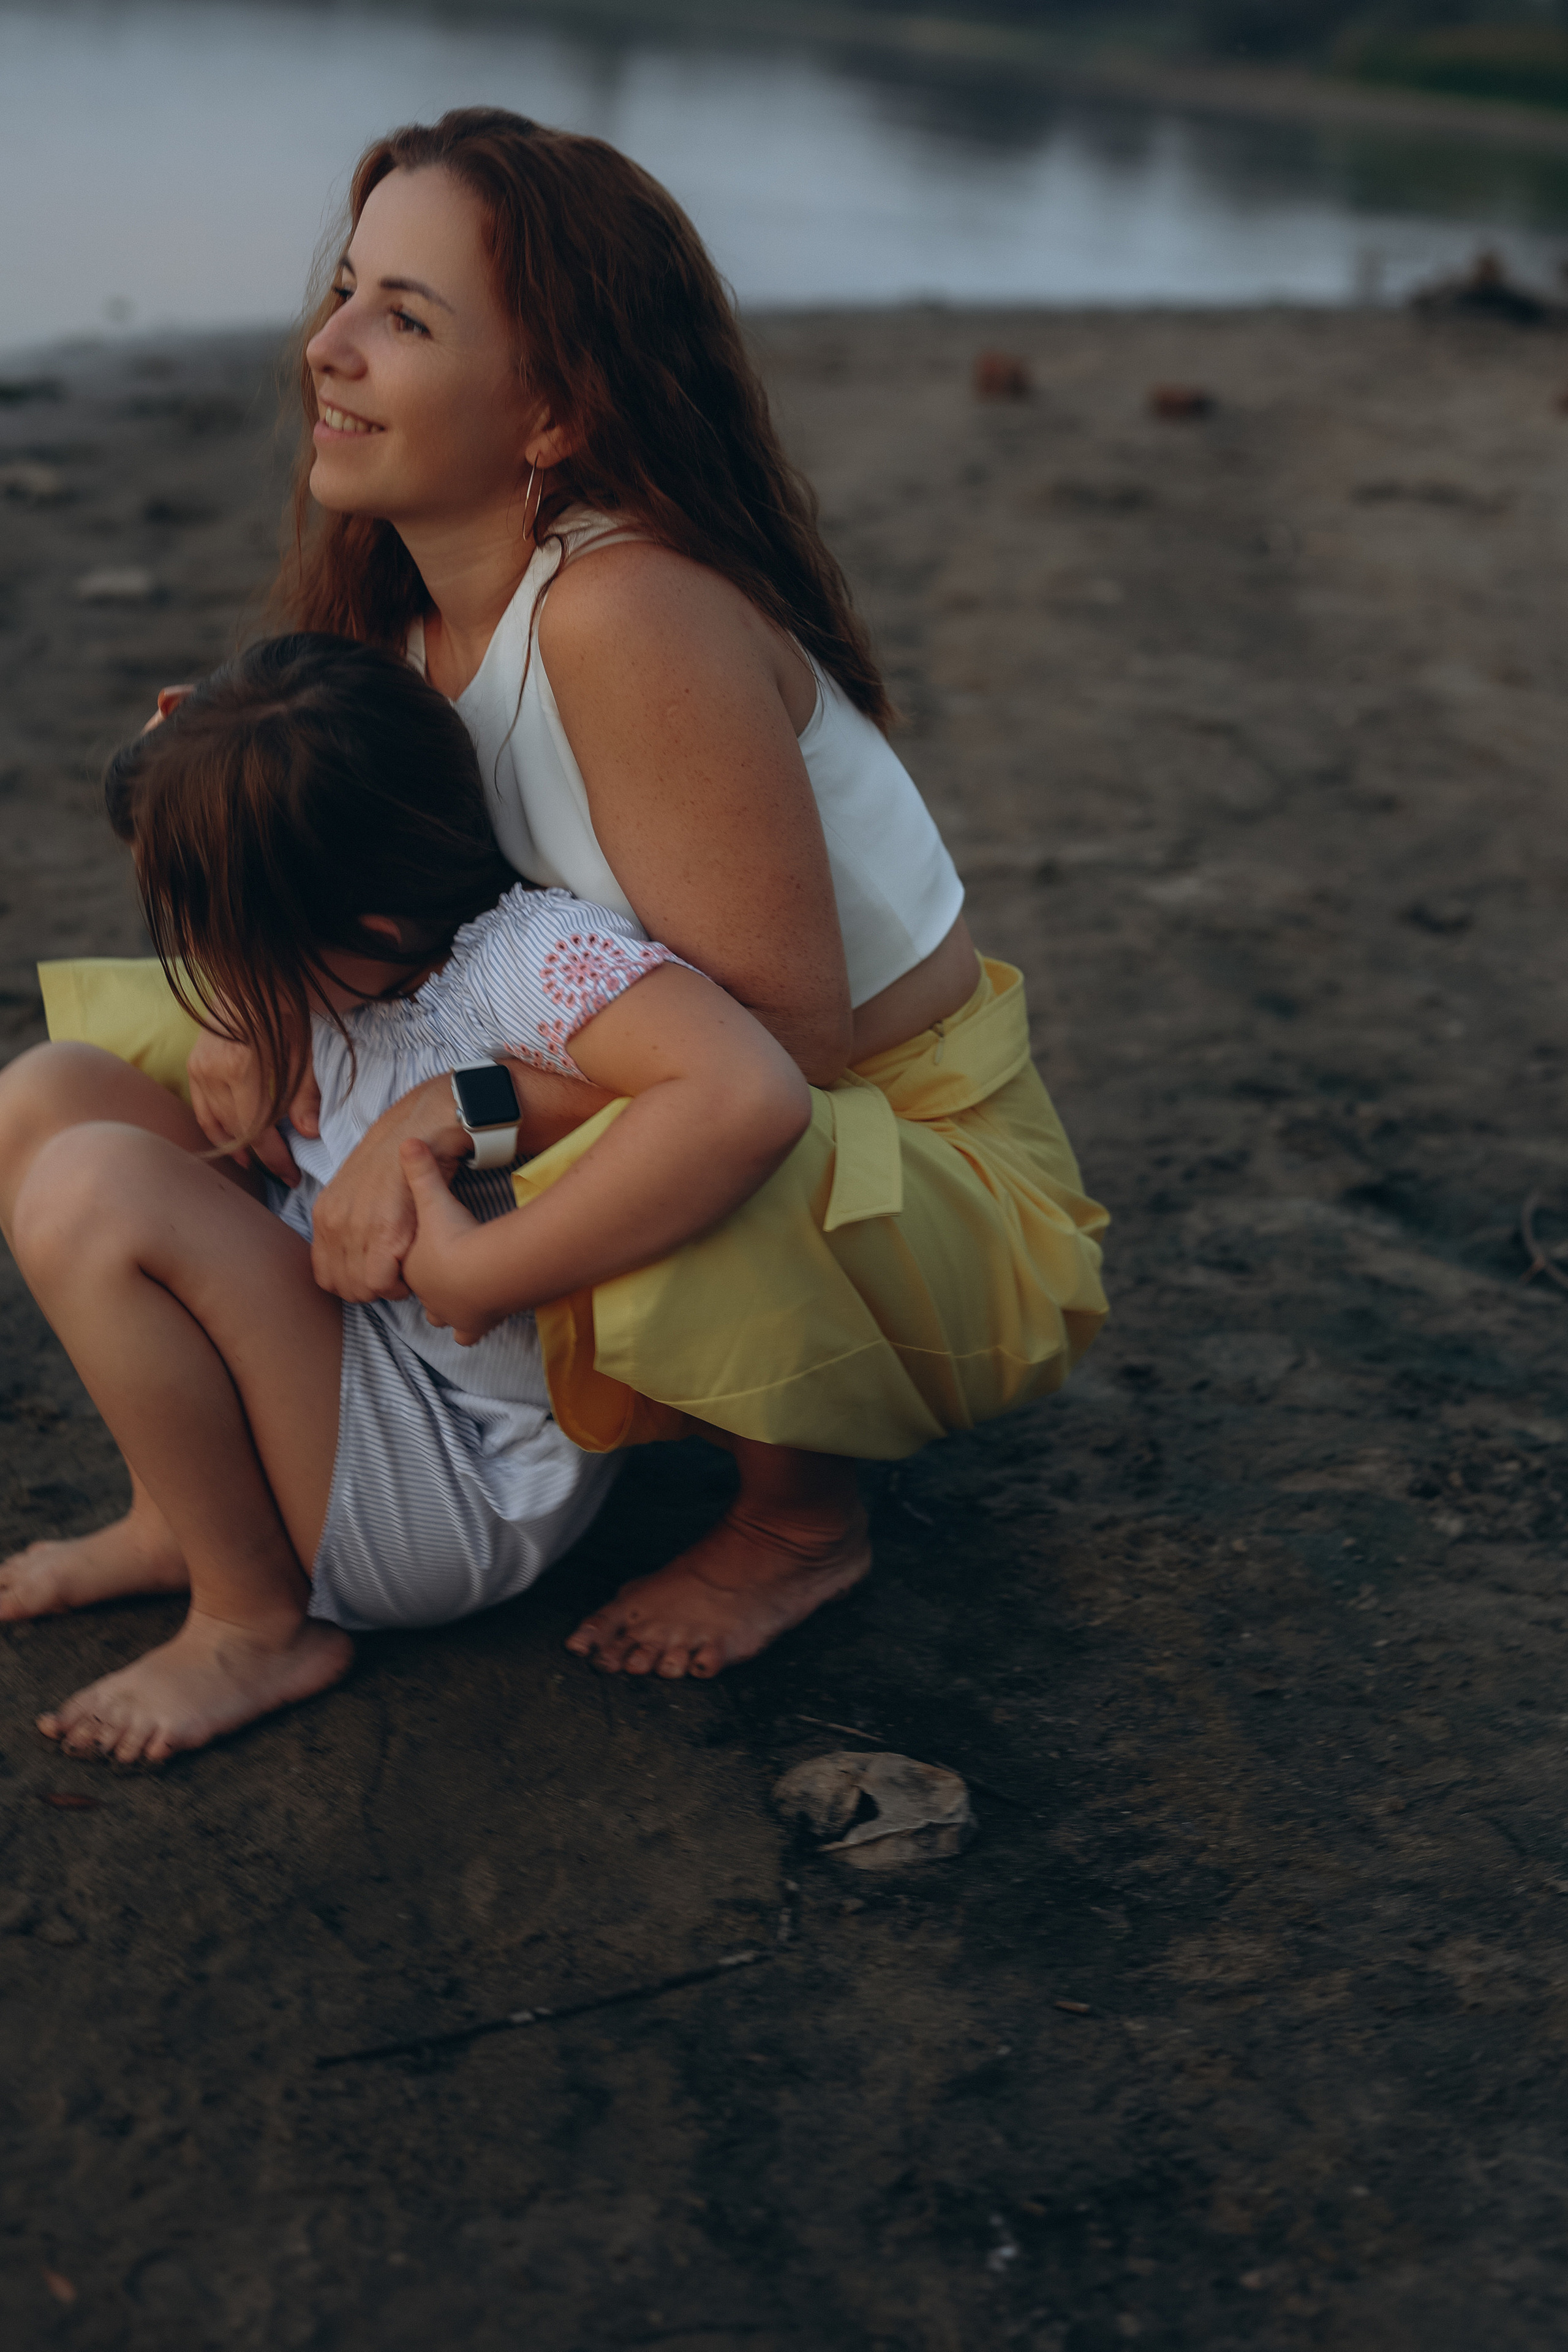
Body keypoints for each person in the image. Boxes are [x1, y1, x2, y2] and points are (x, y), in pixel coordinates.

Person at [36, 110, 1110, 1679]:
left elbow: (785, 1050)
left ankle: (799, 1518)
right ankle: (220, 1476)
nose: (325, 348)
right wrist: (249, 980)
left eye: (402, 319)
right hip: (631, 1038)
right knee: (113, 1066)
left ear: (550, 410)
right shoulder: (404, 615)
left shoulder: (622, 616)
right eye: (344, 292)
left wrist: (436, 1120)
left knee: (683, 1128)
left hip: (881, 1153)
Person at [0, 635, 837, 1761]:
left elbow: (748, 1090)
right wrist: (245, 1009)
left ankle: (251, 1622)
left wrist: (491, 1265)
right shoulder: (356, 919)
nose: (208, 970)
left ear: (374, 935)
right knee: (46, 1095)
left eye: (223, 944)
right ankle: (182, 1526)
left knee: (92, 1190)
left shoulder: (525, 964)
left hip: (452, 1477)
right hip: (340, 1354)